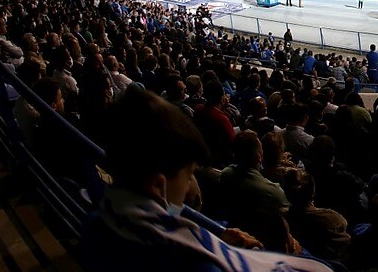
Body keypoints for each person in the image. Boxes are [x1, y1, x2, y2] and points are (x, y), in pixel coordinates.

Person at [79, 86, 332, 272]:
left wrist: (218, 236)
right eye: (189, 176)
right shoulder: (193, 263)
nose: (191, 187)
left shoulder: (99, 220)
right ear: (158, 185)